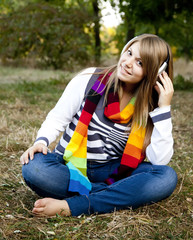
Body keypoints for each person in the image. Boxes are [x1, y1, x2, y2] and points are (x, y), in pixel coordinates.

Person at [20, 34, 177, 217]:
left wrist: (164, 108)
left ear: (156, 72)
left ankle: (73, 205)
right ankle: (113, 194)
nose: (127, 63)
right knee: (34, 167)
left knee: (166, 177)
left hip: (113, 170)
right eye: (129, 53)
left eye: (140, 63)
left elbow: (159, 160)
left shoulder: (150, 106)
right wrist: (41, 141)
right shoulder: (90, 78)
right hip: (68, 166)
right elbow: (57, 117)